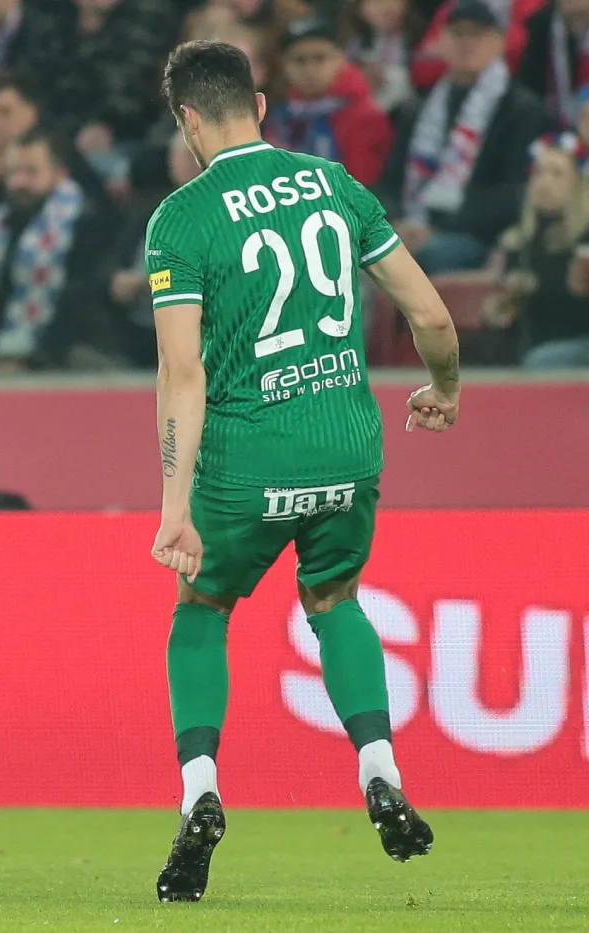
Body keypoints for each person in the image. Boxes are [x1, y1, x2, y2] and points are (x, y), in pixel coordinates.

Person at [144, 40, 462, 903]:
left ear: (188, 121)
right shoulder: (334, 185)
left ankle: (201, 792)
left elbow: (183, 372)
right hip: (348, 449)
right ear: (259, 101)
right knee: (334, 599)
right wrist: (442, 386)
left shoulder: (182, 217)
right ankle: (379, 768)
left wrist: (175, 505)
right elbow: (430, 311)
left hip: (248, 460)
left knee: (202, 607)